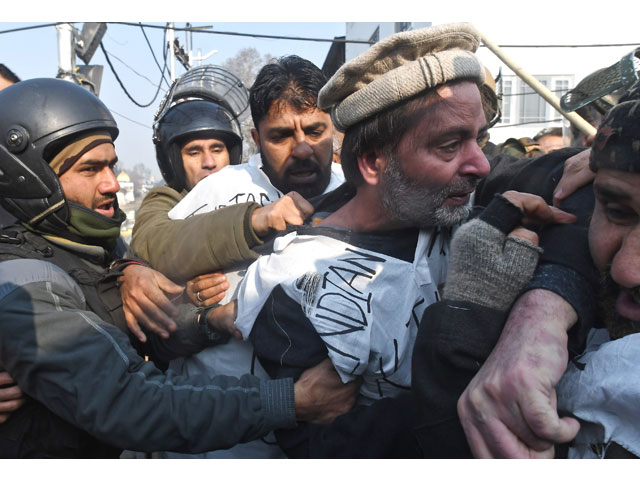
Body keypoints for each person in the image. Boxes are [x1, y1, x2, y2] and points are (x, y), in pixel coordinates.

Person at [0, 78, 356, 458]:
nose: (111, 184)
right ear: (30, 177)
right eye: (90, 169)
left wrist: (206, 321)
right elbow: (131, 403)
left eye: (111, 166)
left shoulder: (88, 242)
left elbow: (136, 338)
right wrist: (293, 401)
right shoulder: (24, 278)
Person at [139, 55, 344, 458]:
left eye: (315, 130)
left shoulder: (359, 191)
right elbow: (153, 260)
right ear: (255, 137)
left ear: (333, 126)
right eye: (282, 135)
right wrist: (182, 297)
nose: (302, 148)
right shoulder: (220, 191)